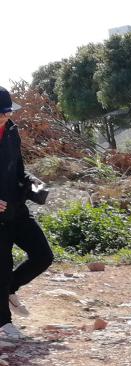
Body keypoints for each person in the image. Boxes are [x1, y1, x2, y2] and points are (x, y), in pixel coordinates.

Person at [0, 87, 54, 342]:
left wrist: (34, 184)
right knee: (1, 269)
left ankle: (10, 289)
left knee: (43, 256)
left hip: (17, 209)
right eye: (1, 112)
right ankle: (4, 323)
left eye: (8, 111)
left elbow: (19, 169)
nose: (6, 116)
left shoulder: (12, 131)